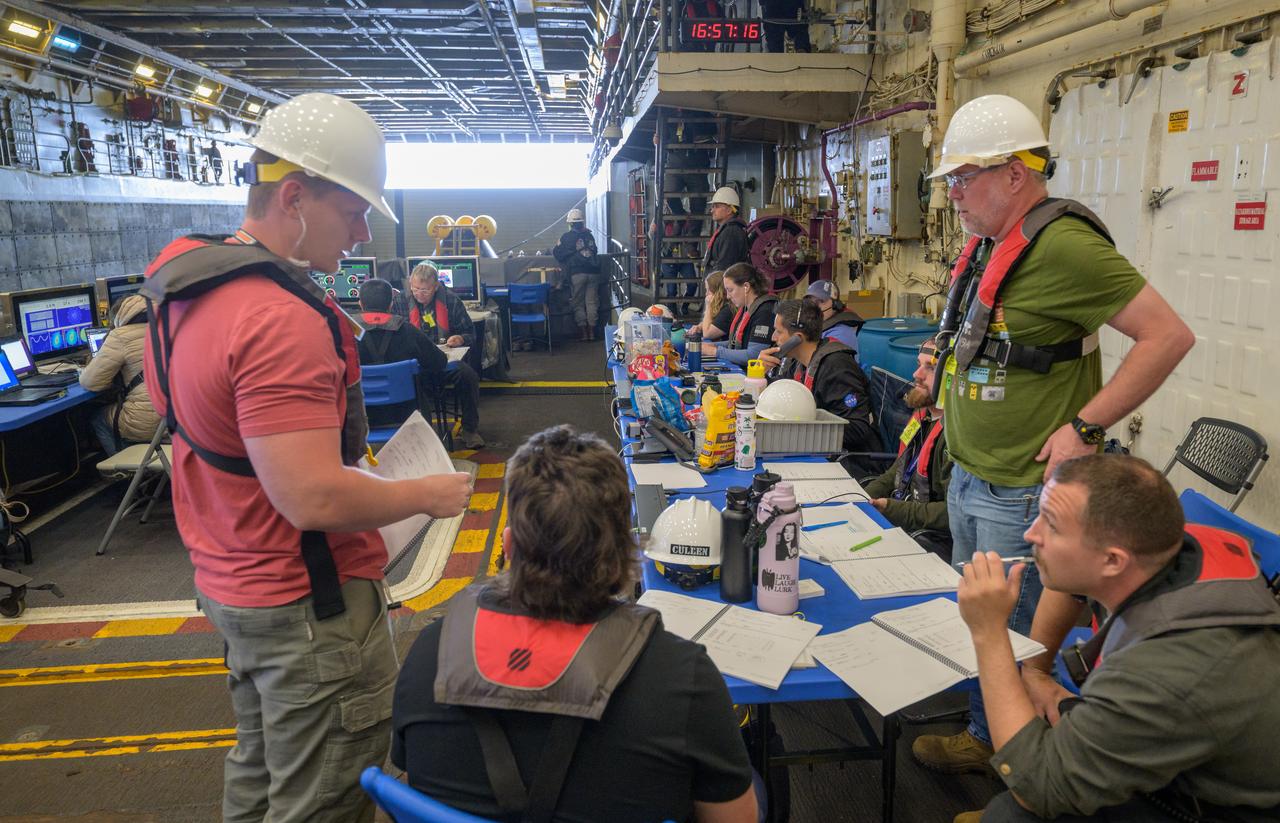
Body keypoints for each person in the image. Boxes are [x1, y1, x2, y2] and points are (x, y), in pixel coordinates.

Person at [140, 92, 474, 823]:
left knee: (259, 778)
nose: (360, 233)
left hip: (234, 583)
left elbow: (239, 450)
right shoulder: (277, 318)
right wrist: (426, 493)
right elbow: (312, 499)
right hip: (307, 607)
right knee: (321, 798)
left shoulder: (186, 290)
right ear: (293, 196)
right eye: (353, 212)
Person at [911, 94, 1194, 774]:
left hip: (1021, 492)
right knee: (984, 623)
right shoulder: (989, 245)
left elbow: (1168, 336)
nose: (953, 194)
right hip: (972, 471)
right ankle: (984, 732)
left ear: (1015, 174)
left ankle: (1018, 775)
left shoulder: (1064, 246)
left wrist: (1083, 424)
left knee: (1020, 637)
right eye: (950, 179)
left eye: (964, 176)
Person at [392, 425, 758, 823]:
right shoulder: (683, 678)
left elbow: (412, 793)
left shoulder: (430, 658)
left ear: (510, 547)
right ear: (623, 554)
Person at [956, 455, 1280, 823]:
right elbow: (1070, 583)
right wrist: (1035, 672)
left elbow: (1037, 789)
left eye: (1052, 525)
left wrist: (989, 632)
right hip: (1190, 744)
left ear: (1112, 561)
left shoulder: (1164, 671)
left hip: (1224, 807)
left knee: (1011, 814)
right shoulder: (1168, 551)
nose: (1031, 534)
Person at [759, 299, 881, 471]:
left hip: (850, 461)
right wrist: (758, 375)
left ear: (797, 338)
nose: (773, 337)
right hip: (812, 452)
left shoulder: (837, 367)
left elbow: (860, 429)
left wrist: (811, 429)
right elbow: (779, 395)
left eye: (778, 332)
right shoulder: (797, 363)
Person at [863, 338, 952, 554]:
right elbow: (898, 468)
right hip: (905, 514)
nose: (917, 375)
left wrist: (893, 509)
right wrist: (863, 499)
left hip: (932, 537)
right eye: (918, 364)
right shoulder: (923, 417)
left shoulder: (955, 437)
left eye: (930, 368)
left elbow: (953, 512)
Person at [398, 261, 485, 449]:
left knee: (469, 377)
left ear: (436, 286)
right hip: (414, 363)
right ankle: (422, 438)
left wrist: (460, 338)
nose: (419, 294)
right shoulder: (401, 302)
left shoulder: (451, 301)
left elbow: (471, 333)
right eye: (415, 289)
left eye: (425, 290)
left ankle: (469, 429)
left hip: (445, 360)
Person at [355, 278, 447, 428]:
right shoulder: (408, 331)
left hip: (360, 418)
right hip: (407, 415)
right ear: (391, 304)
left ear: (360, 304)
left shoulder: (344, 334)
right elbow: (439, 362)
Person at [79, 294, 160, 455]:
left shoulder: (120, 336)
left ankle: (126, 472)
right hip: (181, 421)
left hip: (147, 423)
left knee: (98, 418)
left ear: (121, 315)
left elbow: (90, 382)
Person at [700, 262, 776, 367]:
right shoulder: (746, 308)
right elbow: (736, 343)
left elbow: (754, 355)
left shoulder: (765, 311)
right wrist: (710, 346)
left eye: (730, 290)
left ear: (746, 287)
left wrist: (715, 351)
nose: (727, 296)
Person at [552, 208, 603, 341]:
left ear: (570, 223)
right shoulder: (589, 235)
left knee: (578, 302)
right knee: (592, 302)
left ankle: (584, 333)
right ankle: (592, 332)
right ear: (582, 222)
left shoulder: (566, 237)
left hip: (577, 273)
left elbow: (557, 253)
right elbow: (595, 251)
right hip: (594, 272)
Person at [701, 186, 750, 276]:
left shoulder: (731, 232)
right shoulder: (728, 230)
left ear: (729, 210)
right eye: (713, 207)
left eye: (716, 206)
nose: (712, 210)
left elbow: (725, 267)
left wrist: (716, 286)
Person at [804, 279, 862, 353]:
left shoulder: (841, 334)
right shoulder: (819, 325)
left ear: (835, 305)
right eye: (810, 302)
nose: (813, 306)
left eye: (820, 301)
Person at [697, 269, 734, 341]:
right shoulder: (722, 305)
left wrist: (708, 307)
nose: (706, 294)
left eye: (708, 290)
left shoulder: (728, 309)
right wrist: (700, 326)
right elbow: (715, 321)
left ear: (717, 291)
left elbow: (707, 334)